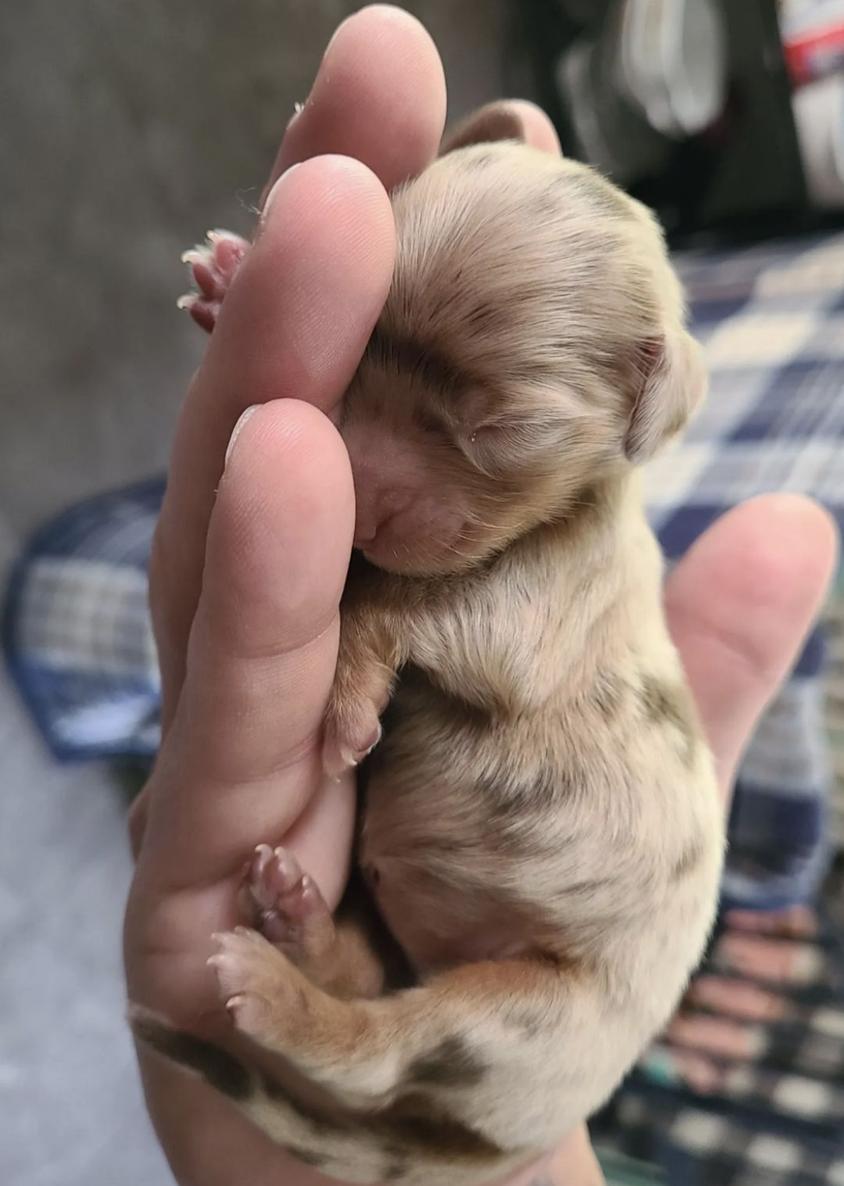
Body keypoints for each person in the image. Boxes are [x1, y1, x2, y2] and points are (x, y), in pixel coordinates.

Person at [122, 7, 839, 1185]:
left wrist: (379, 630)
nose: (373, 474)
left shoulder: (585, 545)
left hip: (569, 957)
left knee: (468, 1030)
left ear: (636, 413)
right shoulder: (451, 479)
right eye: (372, 360)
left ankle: (338, 1024)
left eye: (490, 431)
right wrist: (288, 316)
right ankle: (342, 967)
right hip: (424, 896)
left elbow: (512, 656)